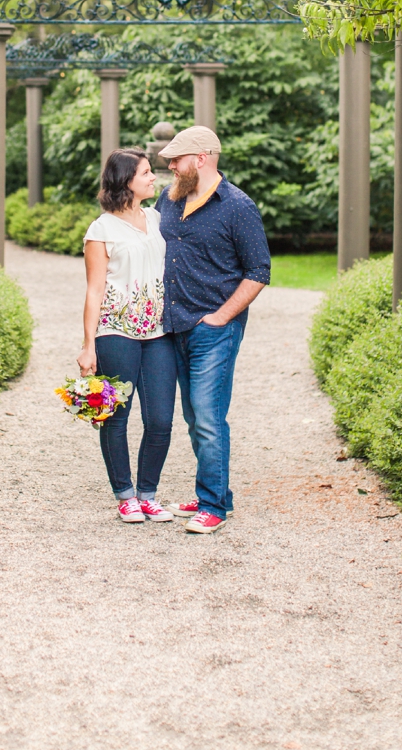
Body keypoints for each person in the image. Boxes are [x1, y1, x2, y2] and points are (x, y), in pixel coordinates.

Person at [155, 125, 270, 533]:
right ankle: (216, 491)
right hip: (172, 327)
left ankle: (214, 506)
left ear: (201, 159)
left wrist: (222, 316)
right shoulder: (167, 201)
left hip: (214, 330)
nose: (169, 165)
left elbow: (258, 271)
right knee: (194, 416)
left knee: (207, 416)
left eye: (176, 159)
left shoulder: (238, 206)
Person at [78, 148, 179, 524]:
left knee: (161, 420)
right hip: (114, 330)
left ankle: (148, 494)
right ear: (126, 181)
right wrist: (88, 345)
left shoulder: (156, 218)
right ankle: (125, 495)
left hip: (158, 331)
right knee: (115, 416)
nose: (153, 177)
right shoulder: (100, 230)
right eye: (146, 172)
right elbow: (93, 290)